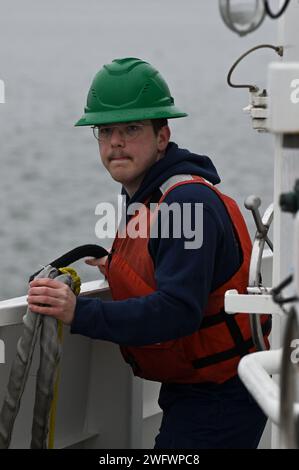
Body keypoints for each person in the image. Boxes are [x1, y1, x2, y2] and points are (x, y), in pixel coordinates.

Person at [27, 57, 271, 449]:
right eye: (105, 131)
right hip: (197, 389)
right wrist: (118, 269)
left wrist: (78, 311)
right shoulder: (153, 195)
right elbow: (172, 268)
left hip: (220, 400)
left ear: (162, 136)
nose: (116, 142)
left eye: (132, 128)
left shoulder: (187, 203)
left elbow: (178, 311)